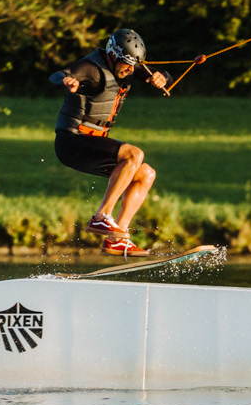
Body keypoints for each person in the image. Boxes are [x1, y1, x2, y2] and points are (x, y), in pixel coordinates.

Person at [50, 27, 171, 255]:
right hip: (72, 142)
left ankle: (117, 238)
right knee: (133, 154)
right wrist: (66, 81)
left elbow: (160, 74)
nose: (130, 70)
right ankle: (101, 217)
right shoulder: (90, 68)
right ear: (114, 56)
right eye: (126, 65)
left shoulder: (129, 68)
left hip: (93, 143)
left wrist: (161, 77)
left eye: (133, 66)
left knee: (146, 174)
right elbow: (57, 75)